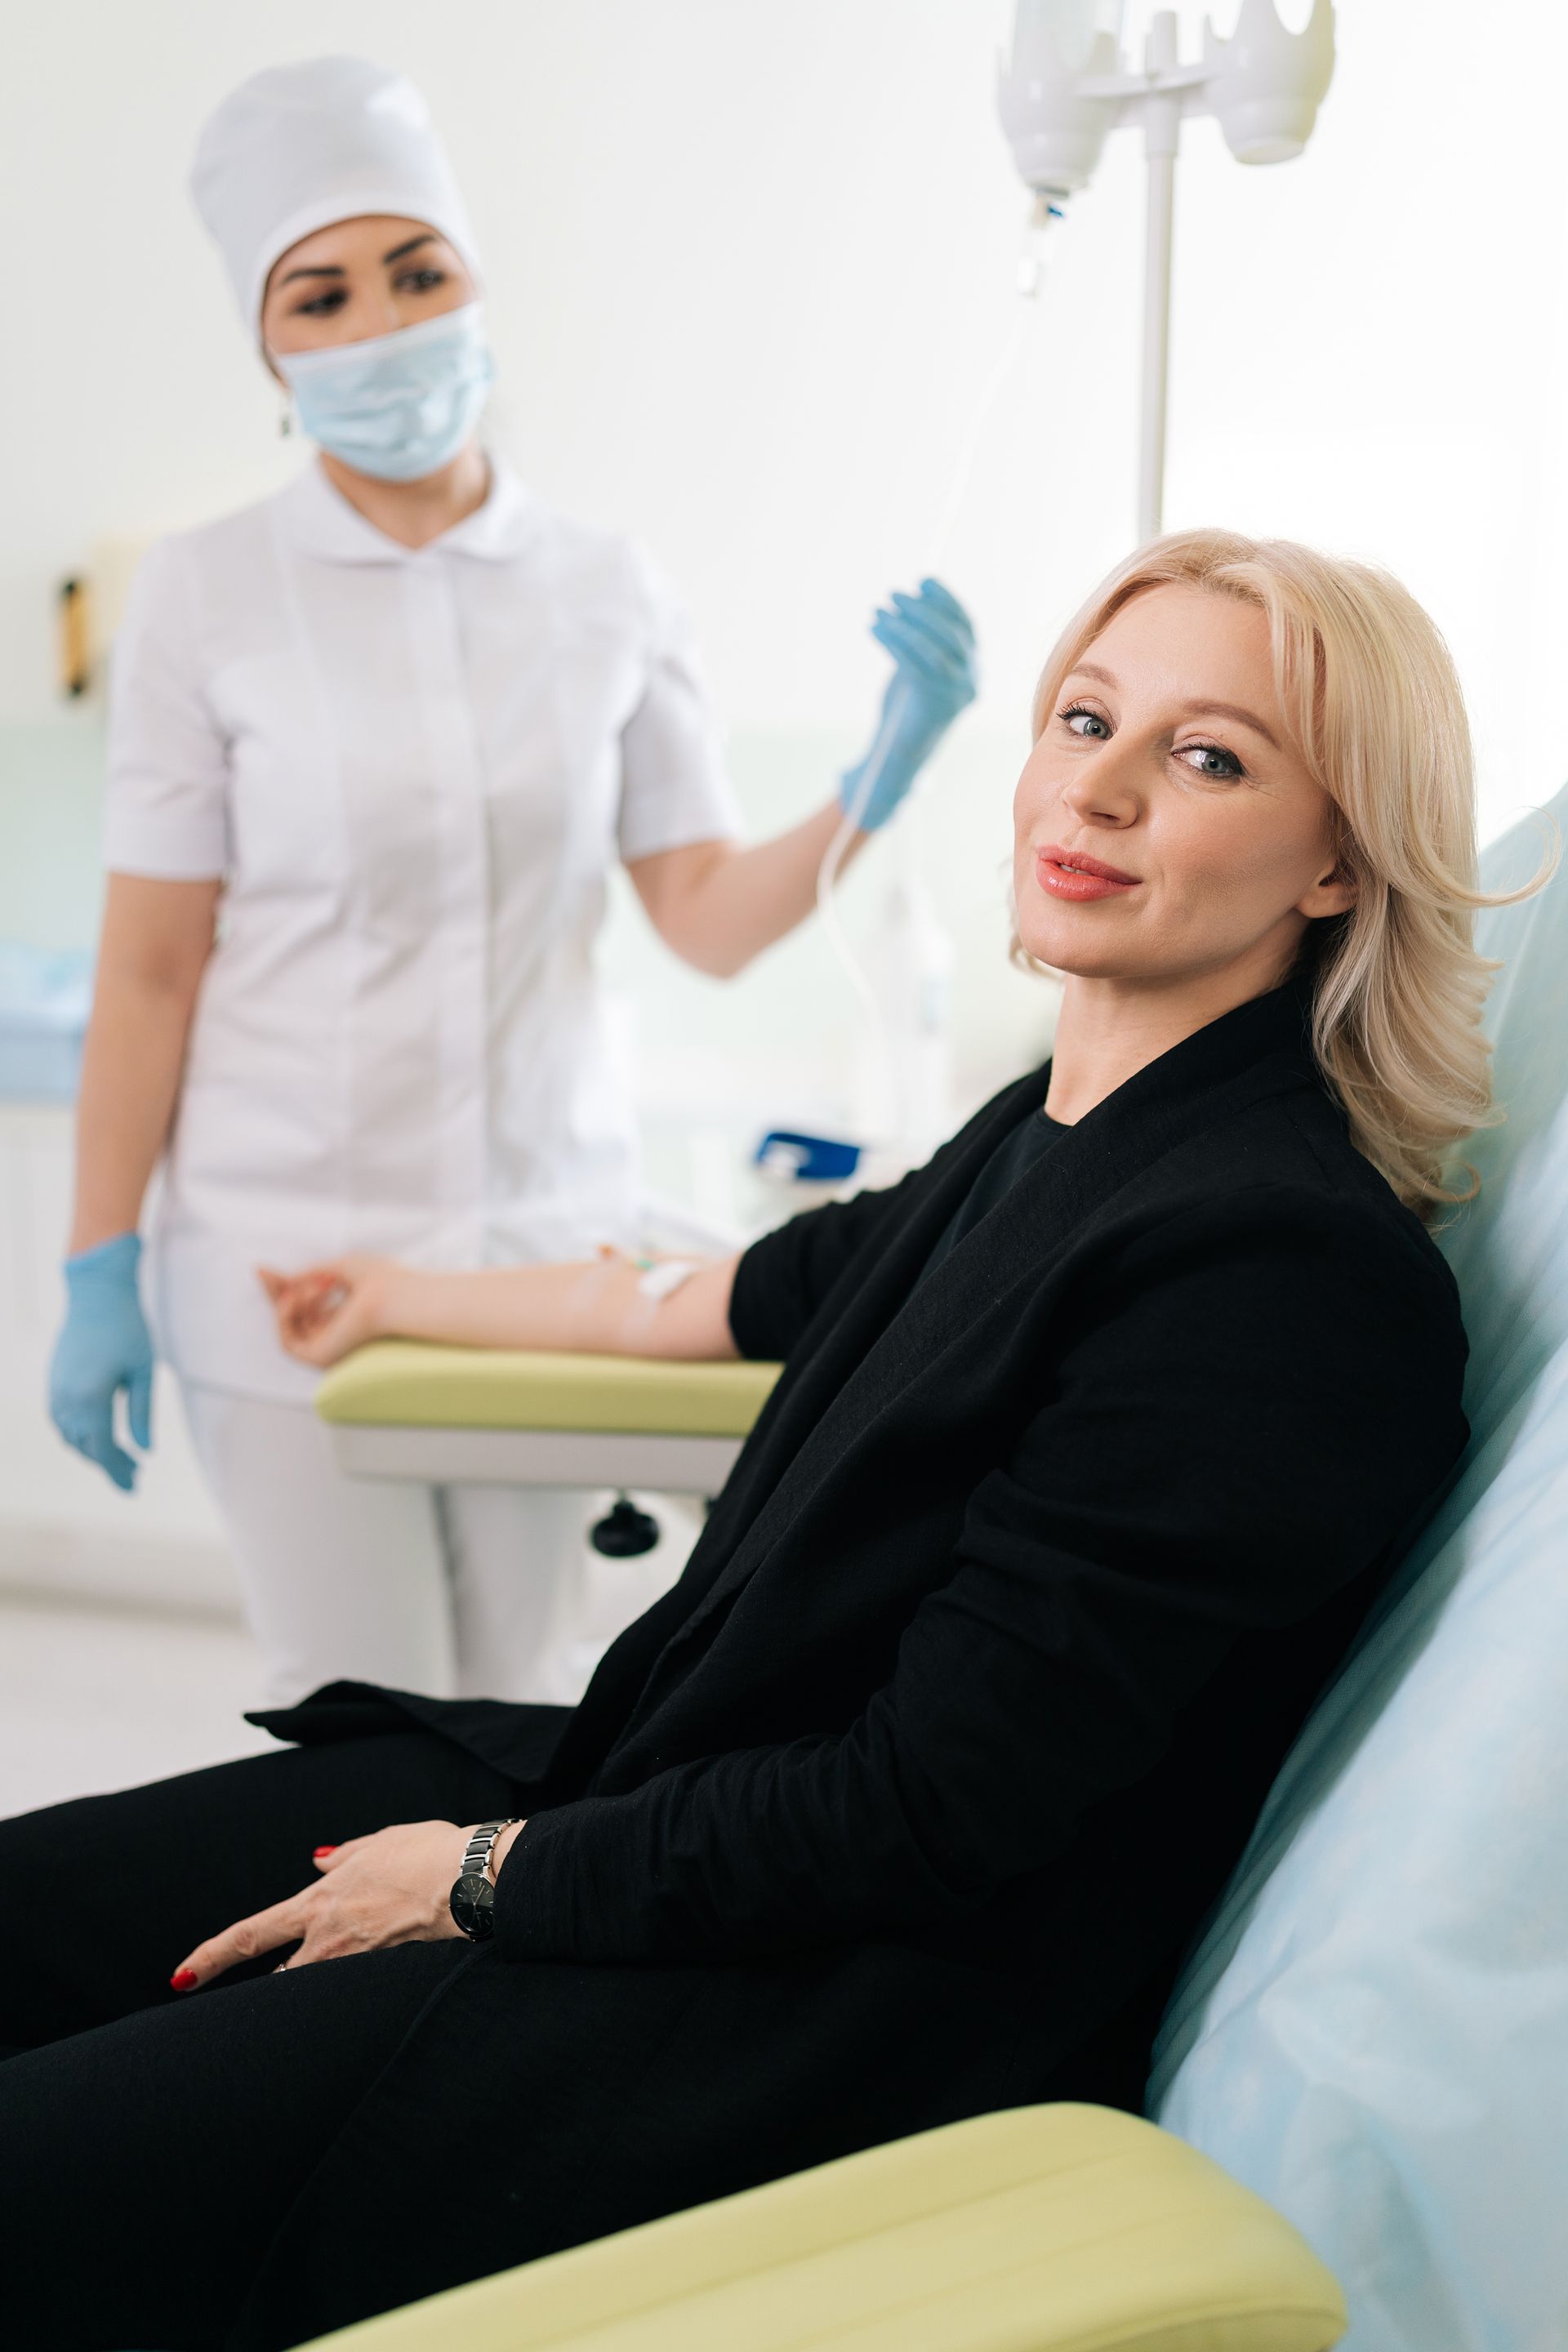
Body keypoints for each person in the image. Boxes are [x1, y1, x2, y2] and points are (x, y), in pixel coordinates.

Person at [3, 531, 1496, 2352]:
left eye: (1209, 757)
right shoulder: (1052, 1133)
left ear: (1339, 859)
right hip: (661, 1815)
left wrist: (480, 1874)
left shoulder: (1275, 1269)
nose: (1096, 788)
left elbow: (931, 1811)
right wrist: (402, 1294)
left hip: (790, 2005)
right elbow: (740, 1290)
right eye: (1085, 716)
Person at [44, 58, 977, 1708]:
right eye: (321, 293)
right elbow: (150, 973)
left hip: (542, 1255)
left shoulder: (606, 588)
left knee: (527, 1712)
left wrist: (868, 789)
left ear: (478, 284)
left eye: (420, 271)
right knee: (360, 1727)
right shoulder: (208, 595)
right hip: (282, 1258)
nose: (385, 323)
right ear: (272, 348)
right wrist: (97, 1265)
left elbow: (699, 916)